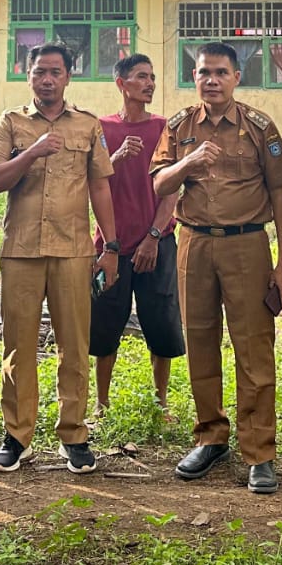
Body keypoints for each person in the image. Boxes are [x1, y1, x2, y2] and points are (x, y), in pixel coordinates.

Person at [150, 41, 282, 495]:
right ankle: (210, 435)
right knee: (200, 341)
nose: (211, 80)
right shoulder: (179, 127)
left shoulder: (258, 126)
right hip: (194, 244)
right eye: (203, 73)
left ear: (237, 78)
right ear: (194, 78)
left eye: (220, 72)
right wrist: (189, 162)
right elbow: (159, 185)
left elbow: (280, 194)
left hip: (246, 245)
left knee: (253, 347)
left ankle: (259, 452)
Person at [0, 43, 118, 475]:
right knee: (18, 347)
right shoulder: (11, 122)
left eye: (55, 72)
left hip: (74, 250)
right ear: (28, 74)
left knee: (74, 345)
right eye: (40, 71)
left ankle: (74, 433)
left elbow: (100, 186)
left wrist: (110, 247)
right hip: (22, 249)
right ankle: (17, 435)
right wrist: (33, 151)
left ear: (67, 77)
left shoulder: (87, 125)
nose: (47, 79)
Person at [89, 54, 183, 420]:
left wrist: (154, 236)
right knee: (105, 321)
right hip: (110, 246)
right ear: (121, 83)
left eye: (153, 77)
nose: (150, 83)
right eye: (141, 77)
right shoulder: (101, 128)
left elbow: (171, 190)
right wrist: (115, 157)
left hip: (156, 243)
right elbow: (92, 182)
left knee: (160, 319)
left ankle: (161, 402)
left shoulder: (165, 128)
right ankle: (101, 403)